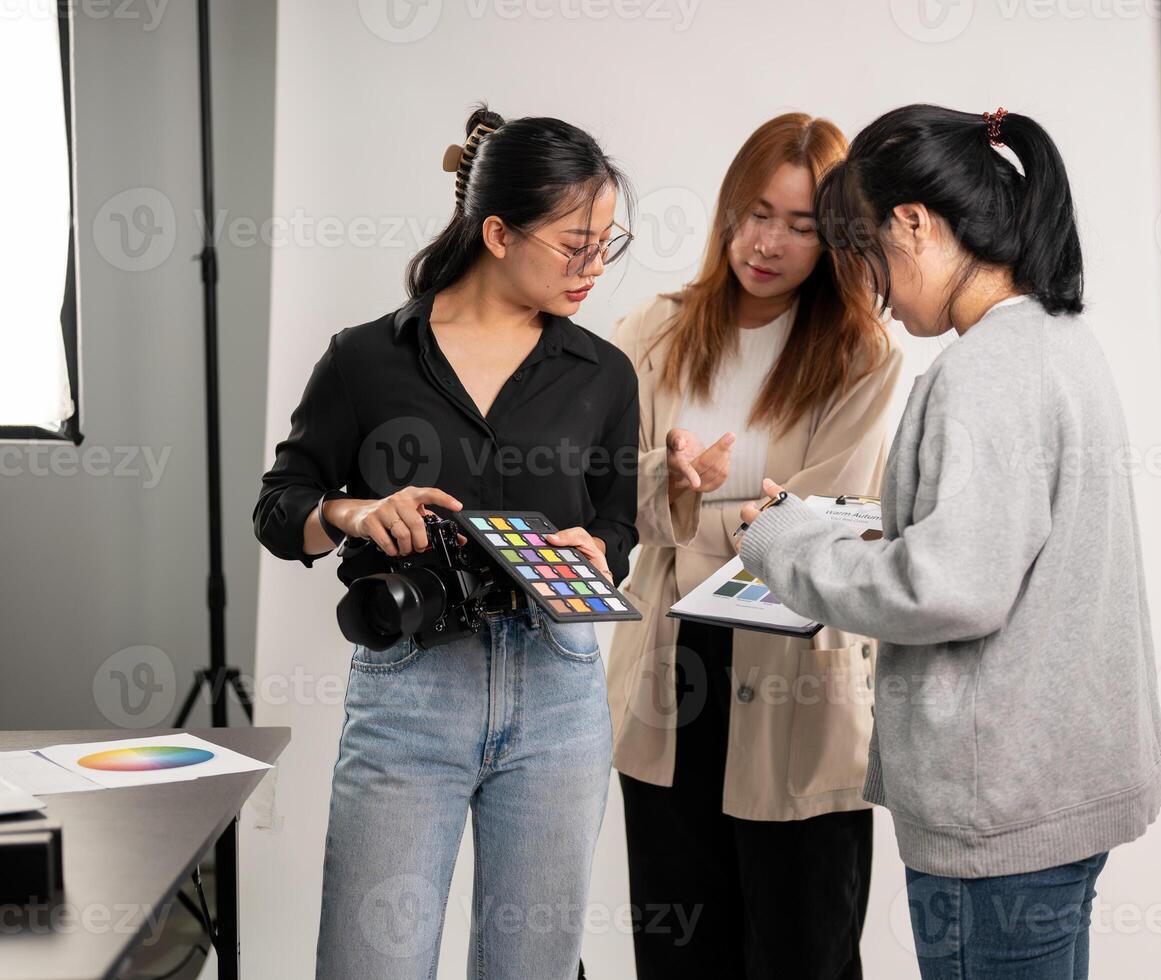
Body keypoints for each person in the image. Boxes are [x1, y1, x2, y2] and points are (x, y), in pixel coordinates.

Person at [736, 104, 1161, 980]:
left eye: (860, 253)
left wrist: (780, 541)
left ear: (914, 222)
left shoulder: (979, 373)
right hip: (1059, 787)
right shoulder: (1056, 340)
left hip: (997, 809)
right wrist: (859, 528)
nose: (869, 289)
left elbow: (949, 589)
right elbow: (1006, 548)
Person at [253, 104, 637, 980]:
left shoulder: (603, 373)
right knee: (368, 965)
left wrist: (599, 551)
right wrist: (354, 512)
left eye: (606, 242)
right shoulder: (364, 359)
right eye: (573, 242)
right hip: (411, 694)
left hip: (559, 691)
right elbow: (282, 506)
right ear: (497, 233)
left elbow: (622, 522)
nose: (593, 266)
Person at [606, 112, 903, 979]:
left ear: (838, 238)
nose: (767, 243)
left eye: (801, 226)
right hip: (671, 671)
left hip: (793, 672)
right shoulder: (655, 330)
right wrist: (699, 501)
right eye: (755, 213)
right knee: (677, 953)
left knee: (801, 950)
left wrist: (678, 503)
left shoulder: (862, 354)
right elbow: (593, 491)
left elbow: (829, 521)